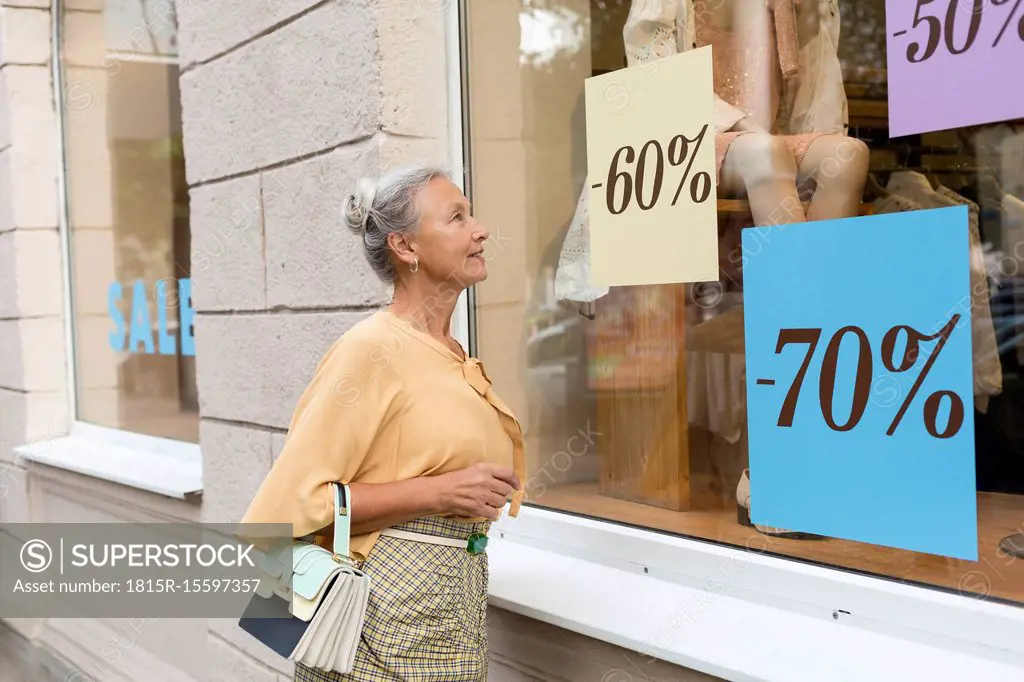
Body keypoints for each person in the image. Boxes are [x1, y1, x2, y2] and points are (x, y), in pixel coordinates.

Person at [239, 164, 527, 681]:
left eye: (472, 214)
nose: (480, 228)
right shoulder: (370, 350)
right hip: (381, 624)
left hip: (446, 610)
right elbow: (286, 510)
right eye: (456, 218)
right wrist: (440, 493)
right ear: (406, 247)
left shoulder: (448, 351)